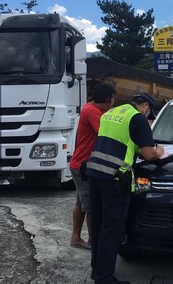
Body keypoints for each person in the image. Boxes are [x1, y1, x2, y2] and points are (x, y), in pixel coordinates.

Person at [86, 93, 164, 284]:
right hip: (114, 177)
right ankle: (104, 278)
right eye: (148, 110)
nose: (147, 114)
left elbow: (120, 141)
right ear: (144, 105)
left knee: (98, 223)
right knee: (112, 228)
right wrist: (158, 151)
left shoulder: (111, 113)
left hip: (94, 172)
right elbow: (148, 154)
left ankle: (97, 271)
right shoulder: (137, 118)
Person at [68, 83, 116, 250]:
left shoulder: (91, 108)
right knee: (91, 206)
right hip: (83, 166)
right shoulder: (92, 112)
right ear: (108, 99)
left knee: (81, 203)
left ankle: (76, 238)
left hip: (80, 164)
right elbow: (106, 132)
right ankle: (93, 241)